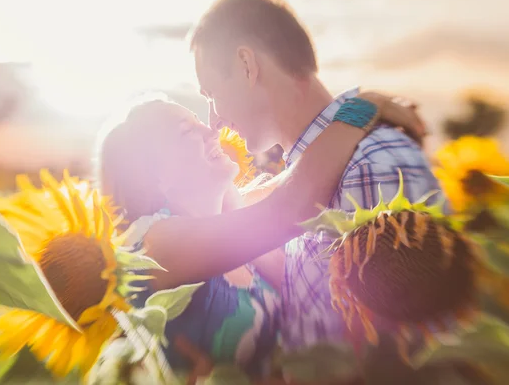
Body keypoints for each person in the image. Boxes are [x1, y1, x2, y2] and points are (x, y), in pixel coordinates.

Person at [95, 92, 423, 382]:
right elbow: (294, 204)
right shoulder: (153, 245)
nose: (212, 132)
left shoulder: (232, 216)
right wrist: (362, 108)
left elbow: (306, 175)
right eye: (186, 131)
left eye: (199, 121)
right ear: (154, 176)